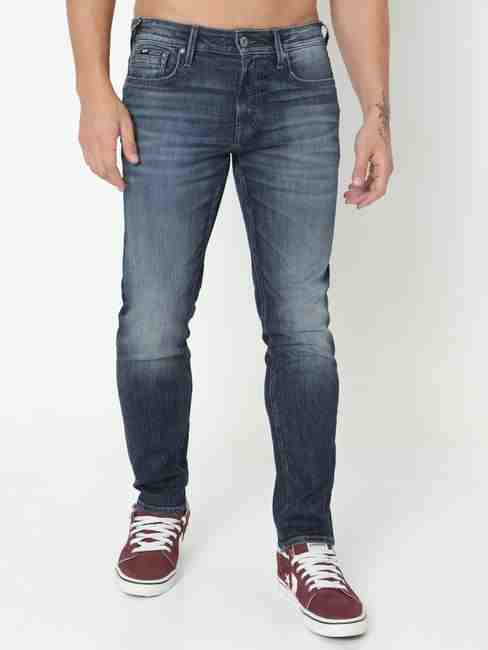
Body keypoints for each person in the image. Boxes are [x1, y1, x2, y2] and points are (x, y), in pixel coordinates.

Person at [67, 0, 393, 638]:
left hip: (295, 71)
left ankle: (306, 539)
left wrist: (377, 115)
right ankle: (159, 504)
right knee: (154, 317)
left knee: (303, 327)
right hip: (171, 68)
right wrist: (92, 89)